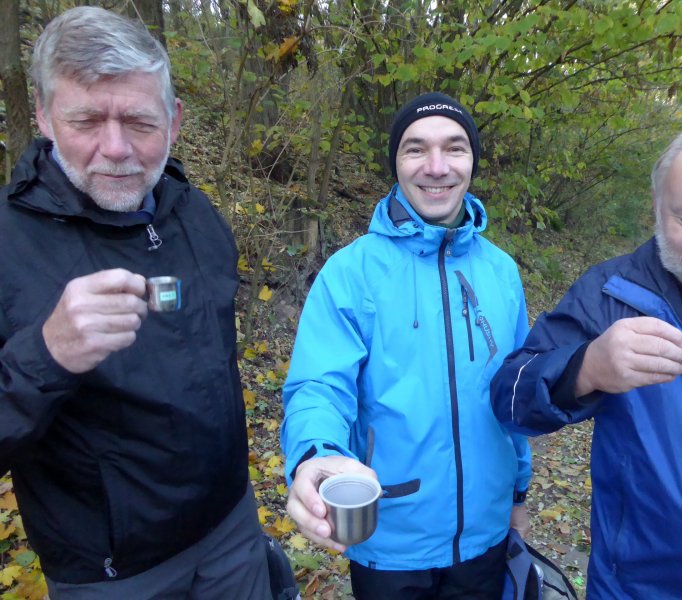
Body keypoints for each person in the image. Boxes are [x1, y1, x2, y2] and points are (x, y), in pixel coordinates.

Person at [0, 7, 287, 599]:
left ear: (174, 121)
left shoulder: (195, 214)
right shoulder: (8, 243)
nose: (117, 149)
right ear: (43, 114)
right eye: (86, 121)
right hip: (115, 573)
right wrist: (44, 353)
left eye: (138, 121)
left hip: (231, 530)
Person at [491, 118, 682, 598]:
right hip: (644, 587)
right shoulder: (612, 293)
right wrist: (587, 366)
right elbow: (509, 397)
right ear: (657, 207)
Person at [281, 92, 532, 599]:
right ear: (395, 162)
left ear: (473, 162)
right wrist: (315, 454)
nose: (436, 167)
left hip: (485, 535)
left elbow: (517, 394)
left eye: (454, 148)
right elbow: (317, 385)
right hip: (387, 537)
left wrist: (519, 492)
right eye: (416, 149)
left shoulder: (502, 273)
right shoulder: (351, 273)